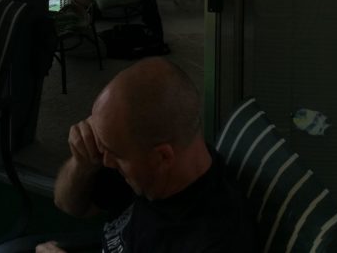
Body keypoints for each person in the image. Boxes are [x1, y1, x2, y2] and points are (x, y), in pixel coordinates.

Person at [43, 58, 256, 253]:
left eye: (115, 154)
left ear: (163, 157)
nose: (106, 161)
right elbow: (68, 204)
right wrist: (82, 163)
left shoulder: (213, 238)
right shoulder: (139, 161)